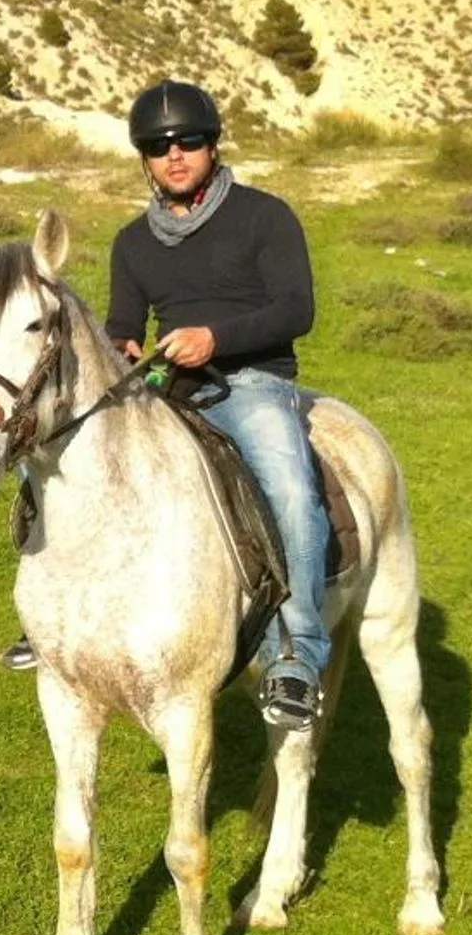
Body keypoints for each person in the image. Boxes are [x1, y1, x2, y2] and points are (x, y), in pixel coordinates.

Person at [90, 80, 328, 730]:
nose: (175, 154)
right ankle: (67, 624)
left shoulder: (265, 215)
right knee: (81, 461)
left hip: (253, 380)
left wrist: (213, 338)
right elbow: (122, 321)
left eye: (188, 140)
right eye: (159, 145)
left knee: (286, 481)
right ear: (144, 156)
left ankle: (298, 655)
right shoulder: (132, 242)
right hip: (169, 386)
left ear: (213, 145)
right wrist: (123, 343)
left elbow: (295, 309)